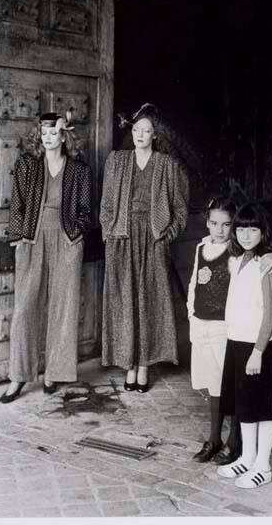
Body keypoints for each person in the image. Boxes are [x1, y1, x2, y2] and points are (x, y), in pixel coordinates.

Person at [0, 112, 92, 403]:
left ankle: (54, 372)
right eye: (44, 132)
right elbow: (17, 205)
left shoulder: (79, 170)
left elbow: (85, 210)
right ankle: (18, 377)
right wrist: (18, 239)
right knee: (25, 308)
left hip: (66, 242)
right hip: (31, 239)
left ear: (65, 135)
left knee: (63, 308)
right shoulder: (27, 165)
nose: (48, 137)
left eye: (54, 132)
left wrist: (75, 235)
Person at [187, 197, 272, 465]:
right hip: (209, 327)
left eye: (227, 224)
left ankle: (238, 445)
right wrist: (191, 316)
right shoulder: (205, 248)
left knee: (238, 390)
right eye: (214, 223)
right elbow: (194, 285)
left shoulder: (244, 255)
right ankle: (218, 440)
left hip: (232, 332)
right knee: (217, 385)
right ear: (207, 223)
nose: (220, 230)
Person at [99, 103, 189, 392]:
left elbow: (180, 208)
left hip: (152, 240)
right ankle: (128, 364)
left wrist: (167, 235)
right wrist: (108, 234)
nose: (140, 134)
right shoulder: (117, 161)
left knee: (150, 303)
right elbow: (107, 204)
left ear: (155, 135)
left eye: (146, 130)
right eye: (136, 129)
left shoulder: (166, 165)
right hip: (122, 239)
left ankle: (145, 366)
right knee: (125, 302)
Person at [217, 202, 272, 488]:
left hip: (258, 347)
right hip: (236, 342)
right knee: (244, 404)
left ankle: (263, 465)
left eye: (253, 229)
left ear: (263, 231)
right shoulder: (237, 260)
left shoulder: (268, 264)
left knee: (265, 406)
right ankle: (246, 458)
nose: (246, 235)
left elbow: (270, 313)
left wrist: (258, 351)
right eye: (241, 229)